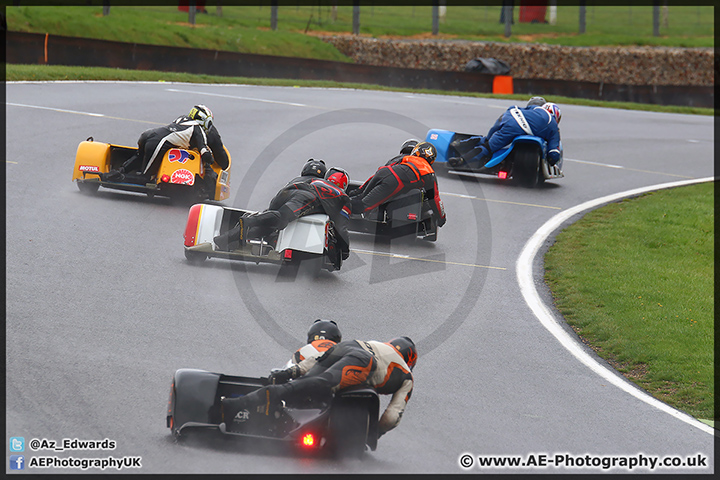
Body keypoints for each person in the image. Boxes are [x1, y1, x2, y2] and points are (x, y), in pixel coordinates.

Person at [221, 336, 417, 438]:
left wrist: (292, 372)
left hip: (348, 346)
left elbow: (319, 358)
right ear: (410, 360)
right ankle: (238, 404)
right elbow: (392, 416)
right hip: (364, 361)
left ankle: (263, 412)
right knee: (320, 385)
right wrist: (375, 433)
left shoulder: (376, 344)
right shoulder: (406, 374)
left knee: (300, 386)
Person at [213, 159, 351, 261]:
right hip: (304, 197)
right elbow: (341, 227)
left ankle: (225, 238)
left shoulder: (305, 180)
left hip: (283, 194)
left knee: (272, 225)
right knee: (282, 218)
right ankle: (250, 220)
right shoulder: (339, 195)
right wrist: (345, 251)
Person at [102, 105, 227, 191]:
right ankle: (115, 177)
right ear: (204, 121)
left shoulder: (181, 119)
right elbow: (204, 152)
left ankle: (121, 170)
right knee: (145, 178)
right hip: (158, 143)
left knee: (140, 157)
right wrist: (209, 162)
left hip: (147, 135)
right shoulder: (198, 130)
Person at [349, 141, 447, 228]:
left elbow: (382, 170)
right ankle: (340, 207)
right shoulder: (430, 172)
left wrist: (360, 190)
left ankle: (343, 200)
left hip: (383, 172)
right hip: (394, 183)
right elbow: (435, 198)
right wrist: (441, 218)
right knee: (364, 206)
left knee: (361, 198)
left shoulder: (406, 158)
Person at [449, 97, 562, 168]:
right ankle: (461, 160)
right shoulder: (553, 127)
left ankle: (458, 144)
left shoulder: (531, 109)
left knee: (488, 142)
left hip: (511, 117)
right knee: (488, 148)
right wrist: (552, 161)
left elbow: (513, 113)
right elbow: (553, 151)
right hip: (516, 126)